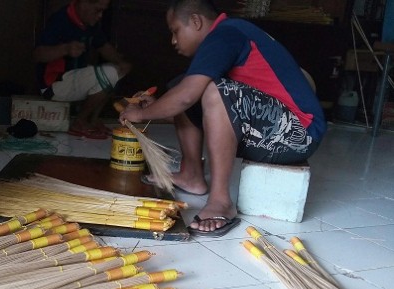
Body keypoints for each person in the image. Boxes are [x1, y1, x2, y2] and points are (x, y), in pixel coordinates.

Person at [119, 0, 326, 236]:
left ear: (196, 21)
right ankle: (192, 174)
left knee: (211, 90)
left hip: (300, 133)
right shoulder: (227, 34)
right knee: (183, 84)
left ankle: (220, 201)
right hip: (272, 128)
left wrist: (142, 114)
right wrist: (159, 106)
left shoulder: (225, 34)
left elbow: (187, 98)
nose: (173, 40)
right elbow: (187, 98)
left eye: (175, 31)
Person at [34, 0, 132, 139]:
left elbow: (103, 46)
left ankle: (92, 121)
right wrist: (65, 49)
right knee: (109, 73)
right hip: (54, 85)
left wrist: (121, 63)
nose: (100, 16)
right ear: (84, 3)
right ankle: (79, 121)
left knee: (116, 71)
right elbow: (38, 55)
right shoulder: (61, 19)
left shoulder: (89, 24)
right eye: (98, 10)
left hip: (73, 80)